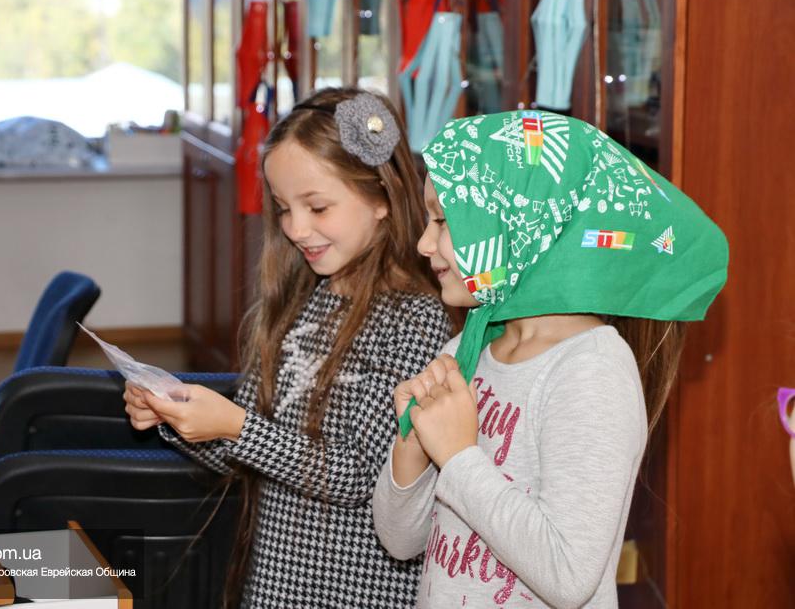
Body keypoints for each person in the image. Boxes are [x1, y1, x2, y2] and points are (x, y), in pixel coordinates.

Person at [373, 111, 728, 607]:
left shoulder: (592, 369)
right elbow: (400, 540)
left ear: (521, 223)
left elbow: (568, 574)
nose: (423, 243)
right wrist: (413, 444)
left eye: (444, 220)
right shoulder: (465, 352)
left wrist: (457, 457)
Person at [124, 87, 452, 608]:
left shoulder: (414, 320)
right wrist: (178, 415)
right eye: (283, 209)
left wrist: (234, 425)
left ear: (382, 198)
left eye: (317, 206)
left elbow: (363, 476)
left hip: (353, 596)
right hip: (279, 587)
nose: (297, 229)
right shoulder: (305, 299)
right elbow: (255, 452)